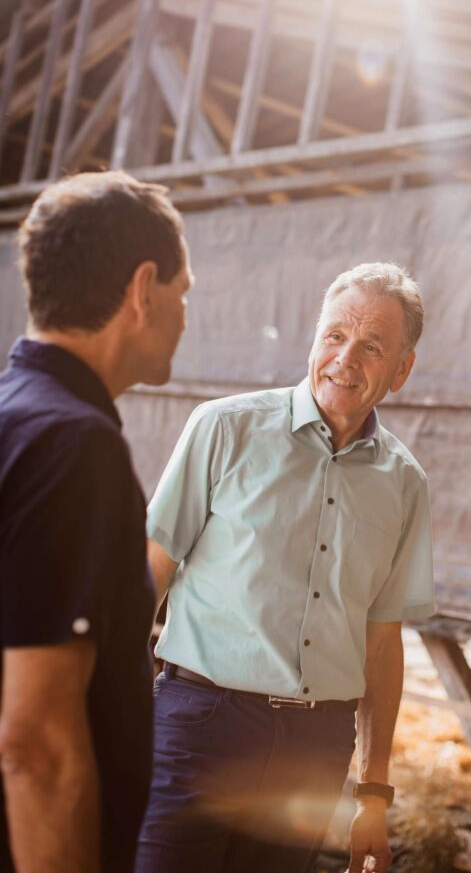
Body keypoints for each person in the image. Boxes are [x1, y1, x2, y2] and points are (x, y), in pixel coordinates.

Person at [136, 261, 435, 873]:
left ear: (401, 369)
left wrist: (373, 794)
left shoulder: (405, 484)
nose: (345, 359)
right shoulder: (224, 428)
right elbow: (147, 575)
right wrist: (116, 716)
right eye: (334, 335)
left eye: (372, 346)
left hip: (316, 747)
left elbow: (383, 644)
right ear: (313, 338)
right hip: (198, 724)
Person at [0, 171, 192, 873]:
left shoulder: (15, 415)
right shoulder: (73, 445)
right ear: (143, 290)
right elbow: (38, 742)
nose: (184, 313)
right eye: (183, 292)